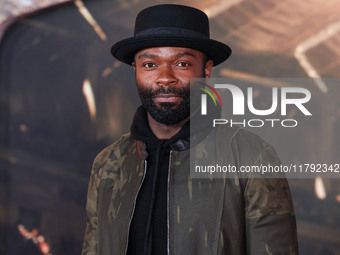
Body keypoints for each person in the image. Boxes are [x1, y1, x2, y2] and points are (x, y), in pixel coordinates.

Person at [82, 4, 298, 255]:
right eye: (150, 65)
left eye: (182, 63)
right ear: (136, 70)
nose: (165, 77)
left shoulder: (251, 158)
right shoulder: (108, 164)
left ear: (206, 69)